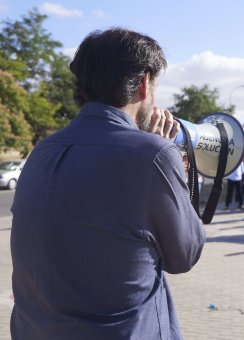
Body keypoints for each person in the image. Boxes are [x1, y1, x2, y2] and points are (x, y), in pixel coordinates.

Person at [10, 28, 205, 339]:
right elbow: (185, 255)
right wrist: (166, 159)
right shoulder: (154, 154)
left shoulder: (43, 151)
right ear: (143, 83)